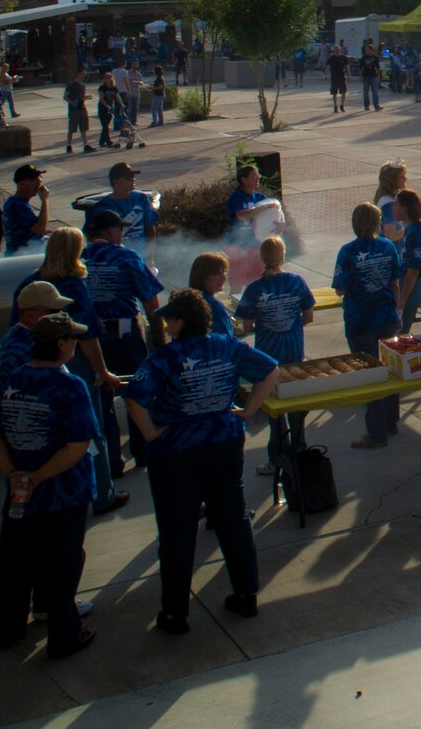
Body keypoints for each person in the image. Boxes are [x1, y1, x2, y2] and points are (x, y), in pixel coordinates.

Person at [124, 289, 281, 636]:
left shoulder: (164, 358)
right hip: (224, 442)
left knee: (177, 531)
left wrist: (150, 433)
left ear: (181, 322)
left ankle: (175, 613)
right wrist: (249, 411)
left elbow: (133, 397)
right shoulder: (227, 345)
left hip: (175, 452)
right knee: (233, 520)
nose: (166, 323)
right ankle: (246, 594)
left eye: (170, 319)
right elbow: (269, 371)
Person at [0, 310, 98, 660]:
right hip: (63, 495)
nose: (75, 343)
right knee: (63, 563)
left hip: (20, 494)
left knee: (17, 561)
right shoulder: (70, 386)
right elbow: (77, 446)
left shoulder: (13, 379)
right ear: (61, 345)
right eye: (72, 338)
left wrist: (14, 475)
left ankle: (5, 627)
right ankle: (65, 634)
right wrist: (39, 477)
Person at [16, 229, 125, 513]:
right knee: (90, 430)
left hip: (34, 362)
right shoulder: (75, 287)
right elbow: (88, 337)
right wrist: (103, 371)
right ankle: (102, 493)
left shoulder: (30, 282)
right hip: (71, 363)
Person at [82, 210, 165, 477]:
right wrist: (159, 336)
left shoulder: (77, 258)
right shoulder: (126, 256)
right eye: (120, 229)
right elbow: (151, 301)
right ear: (108, 231)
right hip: (124, 334)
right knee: (137, 392)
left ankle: (111, 463)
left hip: (90, 339)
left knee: (101, 399)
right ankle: (143, 453)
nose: (123, 233)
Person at [237, 235, 316, 472]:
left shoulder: (254, 289)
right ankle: (299, 453)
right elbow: (309, 316)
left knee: (275, 411)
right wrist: (290, 326)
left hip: (267, 358)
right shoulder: (296, 281)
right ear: (282, 256)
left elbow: (248, 326)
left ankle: (276, 459)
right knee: (296, 407)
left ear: (262, 258)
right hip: (293, 352)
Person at [333, 203, 405, 448]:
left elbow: (340, 287)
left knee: (370, 375)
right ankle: (391, 420)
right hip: (386, 314)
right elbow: (395, 283)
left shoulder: (348, 251)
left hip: (360, 320)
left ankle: (376, 433)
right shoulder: (388, 246)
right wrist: (397, 312)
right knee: (388, 368)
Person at [160, 253, 238, 338]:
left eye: (224, 271)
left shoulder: (182, 299)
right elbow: (226, 341)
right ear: (202, 276)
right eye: (216, 273)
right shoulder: (214, 306)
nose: (223, 277)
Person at [392, 190, 421, 330]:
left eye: (396, 205)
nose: (393, 208)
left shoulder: (417, 232)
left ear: (405, 207)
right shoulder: (410, 229)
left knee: (399, 327)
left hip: (418, 285)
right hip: (412, 282)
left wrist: (402, 301)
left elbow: (413, 271)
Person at [85, 162, 160, 248]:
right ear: (115, 181)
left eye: (133, 176)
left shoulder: (141, 199)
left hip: (141, 258)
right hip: (116, 257)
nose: (133, 179)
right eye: (128, 177)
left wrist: (150, 257)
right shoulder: (102, 207)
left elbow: (150, 228)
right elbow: (91, 236)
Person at [2, 163, 50, 254]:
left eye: (39, 177)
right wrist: (44, 200)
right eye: (33, 179)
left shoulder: (14, 202)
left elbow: (29, 229)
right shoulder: (17, 206)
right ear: (21, 184)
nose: (39, 181)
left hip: (23, 253)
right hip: (23, 257)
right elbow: (40, 228)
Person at [225, 163, 273, 247]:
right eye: (254, 175)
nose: (258, 178)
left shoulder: (259, 196)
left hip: (255, 240)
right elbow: (241, 216)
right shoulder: (237, 195)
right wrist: (262, 208)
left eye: (258, 175)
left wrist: (280, 223)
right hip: (238, 241)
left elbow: (273, 209)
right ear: (244, 180)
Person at [63, 68, 92, 155]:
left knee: (84, 128)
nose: (84, 76)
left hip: (82, 108)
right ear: (79, 74)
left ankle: (86, 144)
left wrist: (87, 97)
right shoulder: (71, 85)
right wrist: (72, 102)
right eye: (83, 74)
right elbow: (65, 96)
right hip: (74, 110)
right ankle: (69, 145)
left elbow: (81, 97)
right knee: (72, 128)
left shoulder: (83, 85)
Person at [96, 72, 121, 147]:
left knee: (106, 126)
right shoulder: (102, 88)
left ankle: (101, 142)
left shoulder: (114, 88)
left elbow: (117, 96)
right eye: (106, 78)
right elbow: (101, 99)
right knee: (105, 126)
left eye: (109, 78)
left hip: (110, 108)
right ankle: (108, 142)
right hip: (102, 108)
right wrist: (107, 106)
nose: (108, 79)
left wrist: (122, 104)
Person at [327, 43, 350, 114]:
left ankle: (342, 105)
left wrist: (349, 75)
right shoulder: (331, 58)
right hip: (334, 77)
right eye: (335, 49)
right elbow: (328, 67)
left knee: (343, 92)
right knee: (334, 93)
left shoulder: (344, 58)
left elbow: (347, 67)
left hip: (342, 77)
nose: (337, 51)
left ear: (340, 50)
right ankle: (335, 106)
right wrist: (325, 75)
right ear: (333, 50)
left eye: (338, 49)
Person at [360, 39, 383, 112]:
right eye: (366, 49)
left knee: (375, 92)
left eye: (368, 49)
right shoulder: (363, 58)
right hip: (366, 76)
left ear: (371, 50)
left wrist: (379, 77)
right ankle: (366, 105)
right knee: (365, 92)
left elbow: (378, 68)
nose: (367, 51)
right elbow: (360, 68)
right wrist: (360, 77)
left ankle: (376, 105)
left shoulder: (375, 57)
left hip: (374, 76)